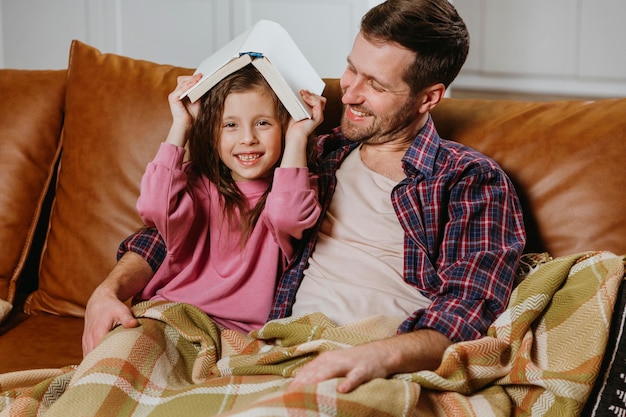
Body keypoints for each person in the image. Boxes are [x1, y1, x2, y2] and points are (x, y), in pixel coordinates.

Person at [83, 0, 526, 395]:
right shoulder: (314, 152)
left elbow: (469, 306)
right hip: (280, 341)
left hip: (379, 354)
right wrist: (110, 290)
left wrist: (374, 358)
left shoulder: (469, 179)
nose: (348, 92)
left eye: (375, 84)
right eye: (352, 67)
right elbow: (185, 223)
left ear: (429, 98)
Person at [132, 64, 323, 333]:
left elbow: (286, 216)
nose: (248, 138)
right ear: (212, 132)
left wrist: (297, 136)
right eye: (230, 125)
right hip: (170, 315)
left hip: (243, 334)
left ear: (284, 125)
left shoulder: (297, 188)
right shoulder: (194, 183)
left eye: (263, 123)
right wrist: (182, 124)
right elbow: (153, 208)